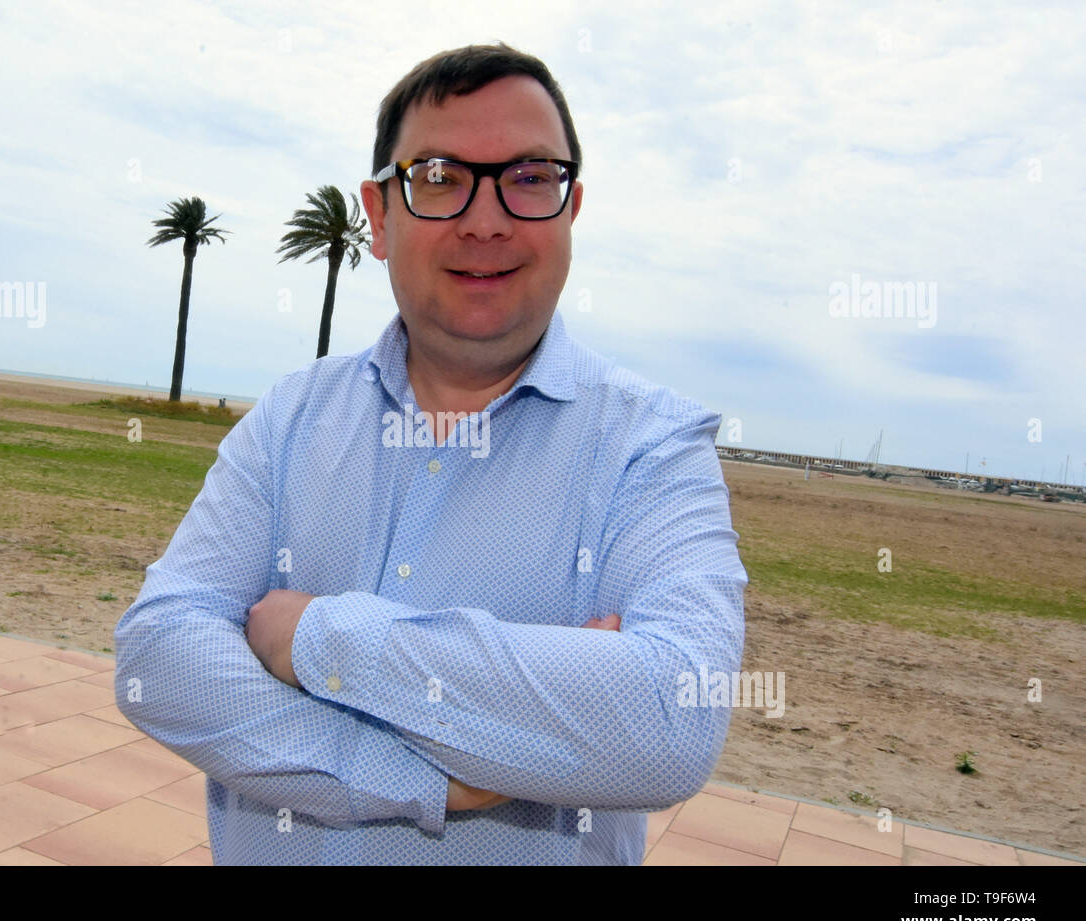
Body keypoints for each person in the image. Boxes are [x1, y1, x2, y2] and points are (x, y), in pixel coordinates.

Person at [115, 42, 747, 865]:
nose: (486, 220)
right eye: (442, 177)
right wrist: (435, 773)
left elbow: (670, 720)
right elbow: (157, 657)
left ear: (570, 210)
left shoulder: (652, 449)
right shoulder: (290, 419)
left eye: (528, 178)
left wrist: (313, 638)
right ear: (378, 217)